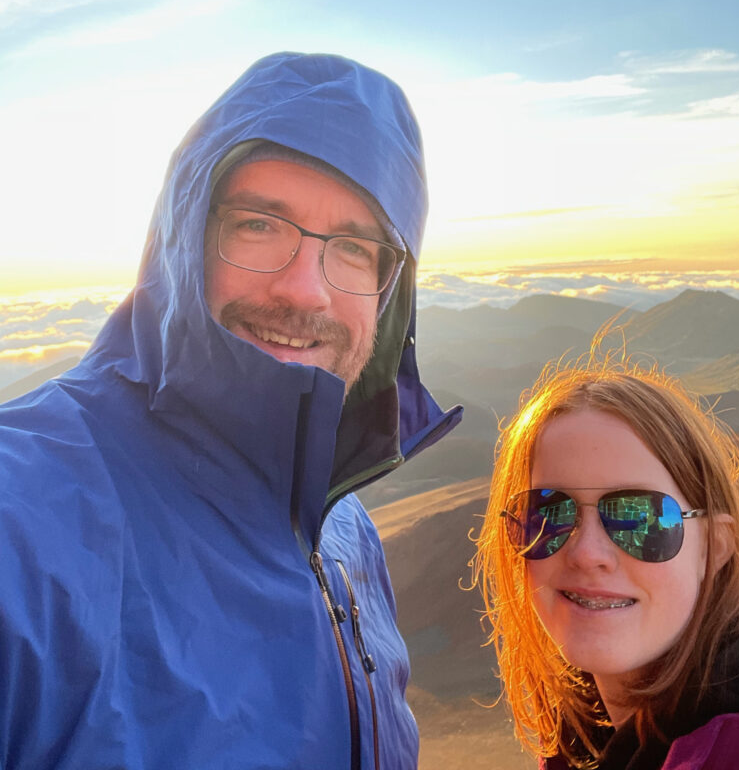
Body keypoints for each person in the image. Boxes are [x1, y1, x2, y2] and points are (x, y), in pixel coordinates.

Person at [0, 52, 462, 770]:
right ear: (183, 236)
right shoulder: (22, 516)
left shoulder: (345, 534)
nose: (305, 290)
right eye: (257, 226)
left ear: (389, 289)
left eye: (353, 247)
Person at [474, 356, 739, 769]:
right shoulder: (581, 742)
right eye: (548, 513)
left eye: (640, 517)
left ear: (714, 548)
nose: (586, 553)